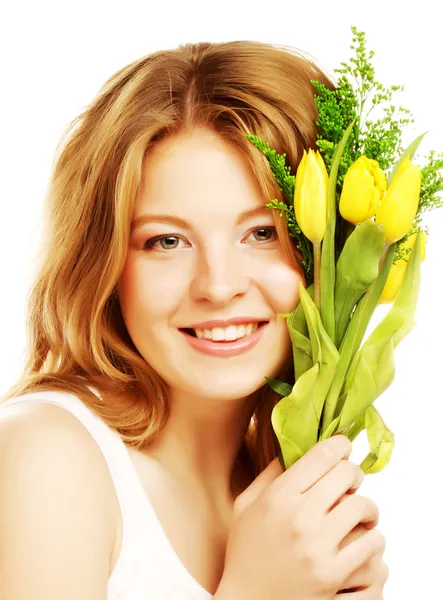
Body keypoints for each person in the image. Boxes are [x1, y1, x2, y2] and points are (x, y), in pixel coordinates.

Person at [0, 39, 388, 599]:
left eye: (262, 233)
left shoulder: (281, 498)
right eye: (166, 241)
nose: (219, 285)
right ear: (105, 265)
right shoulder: (44, 458)